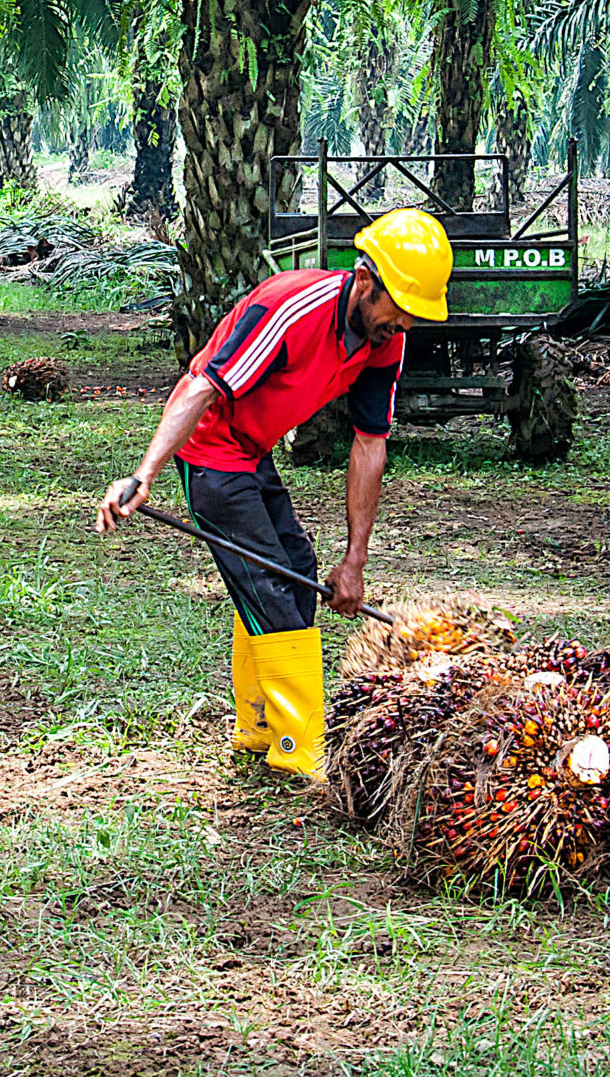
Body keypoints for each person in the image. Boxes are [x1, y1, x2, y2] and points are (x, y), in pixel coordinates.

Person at [95, 208, 452, 782]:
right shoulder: (292, 308)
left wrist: (355, 560)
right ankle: (301, 751)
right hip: (210, 454)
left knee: (300, 569)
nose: (403, 326)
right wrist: (144, 476)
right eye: (399, 310)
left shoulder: (384, 342)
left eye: (414, 317)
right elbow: (200, 386)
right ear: (365, 281)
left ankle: (259, 725)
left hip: (251, 452)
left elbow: (370, 444)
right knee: (275, 594)